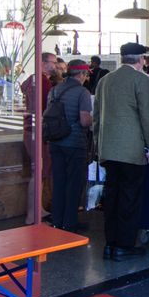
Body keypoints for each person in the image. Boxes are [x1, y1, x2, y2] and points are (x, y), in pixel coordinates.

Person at [93, 43, 149, 261]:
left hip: (108, 149)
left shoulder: (104, 80)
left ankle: (110, 244)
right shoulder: (141, 80)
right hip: (131, 151)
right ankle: (124, 245)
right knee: (130, 198)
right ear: (140, 60)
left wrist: (98, 145)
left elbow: (96, 116)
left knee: (112, 197)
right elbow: (146, 116)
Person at [47, 60, 93, 232]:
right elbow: (84, 120)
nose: (86, 78)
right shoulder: (82, 92)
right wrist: (95, 119)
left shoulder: (54, 90)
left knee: (59, 181)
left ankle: (57, 220)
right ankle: (70, 222)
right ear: (81, 74)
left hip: (55, 141)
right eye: (86, 75)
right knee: (74, 182)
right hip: (74, 143)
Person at [21, 52, 58, 225]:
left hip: (31, 129)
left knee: (39, 173)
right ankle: (32, 214)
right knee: (39, 173)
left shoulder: (32, 80)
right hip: (38, 131)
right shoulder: (42, 82)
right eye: (53, 62)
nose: (55, 66)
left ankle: (38, 209)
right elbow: (47, 108)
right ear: (43, 63)